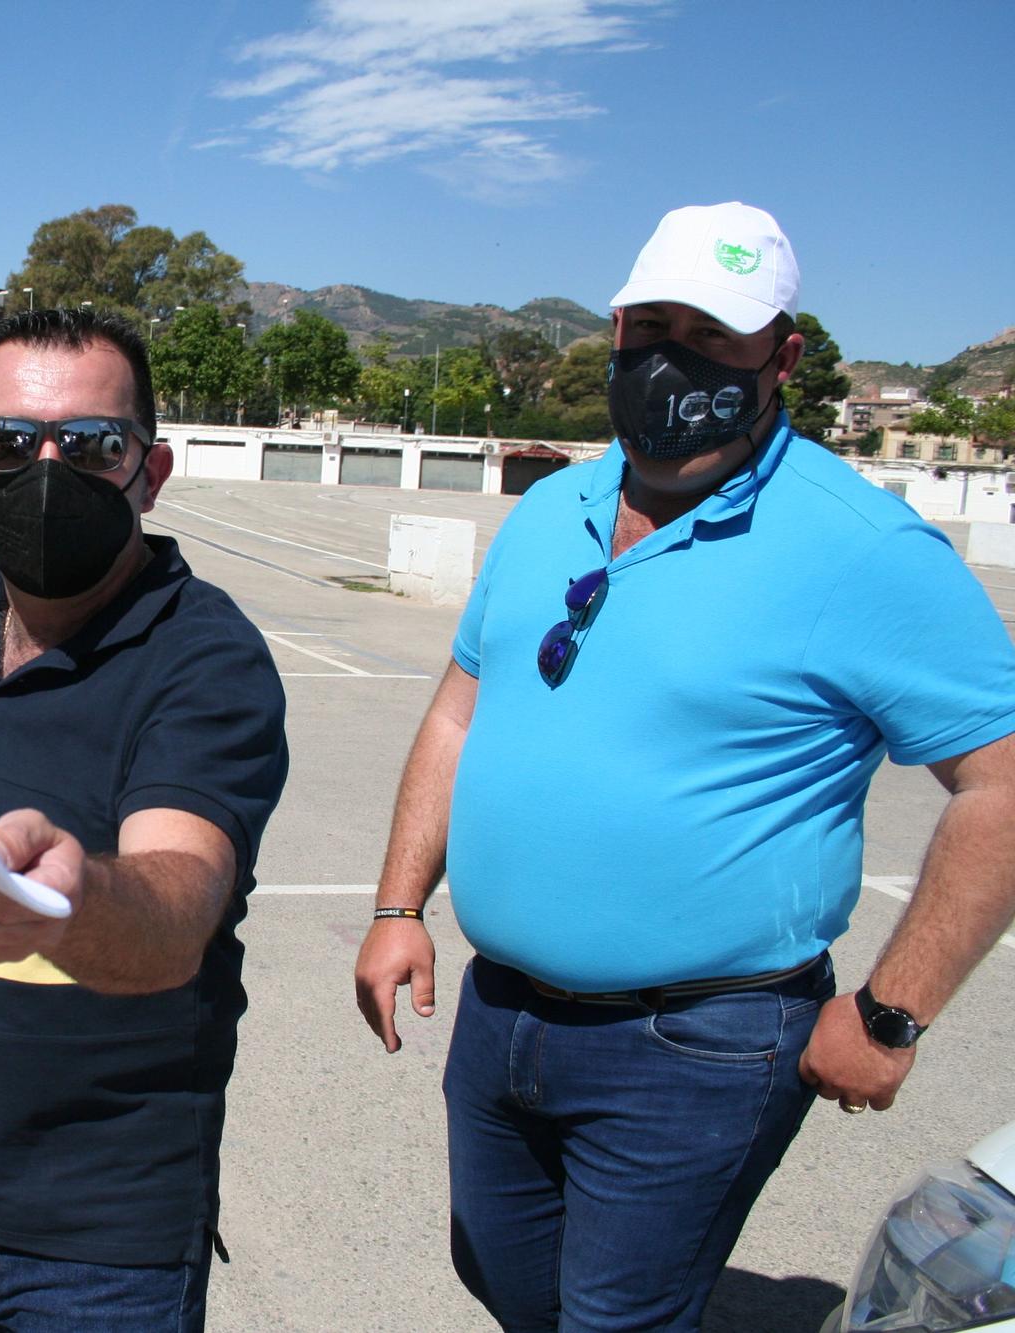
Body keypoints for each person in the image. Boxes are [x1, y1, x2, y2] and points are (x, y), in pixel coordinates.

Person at [353, 202, 1015, 1332]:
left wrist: (892, 1013)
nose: (669, 360)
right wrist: (397, 901)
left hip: (696, 1045)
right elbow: (461, 708)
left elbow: (1001, 784)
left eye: (710, 337)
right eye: (649, 325)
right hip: (501, 1012)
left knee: (614, 1316)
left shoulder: (860, 550)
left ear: (782, 356)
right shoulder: (548, 504)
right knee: (503, 1276)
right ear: (611, 330)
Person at [0, 309, 291, 1332]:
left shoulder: (205, 659)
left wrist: (76, 894)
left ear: (152, 469)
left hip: (100, 1247)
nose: (46, 472)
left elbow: (179, 895)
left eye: (90, 446)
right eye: (9, 443)